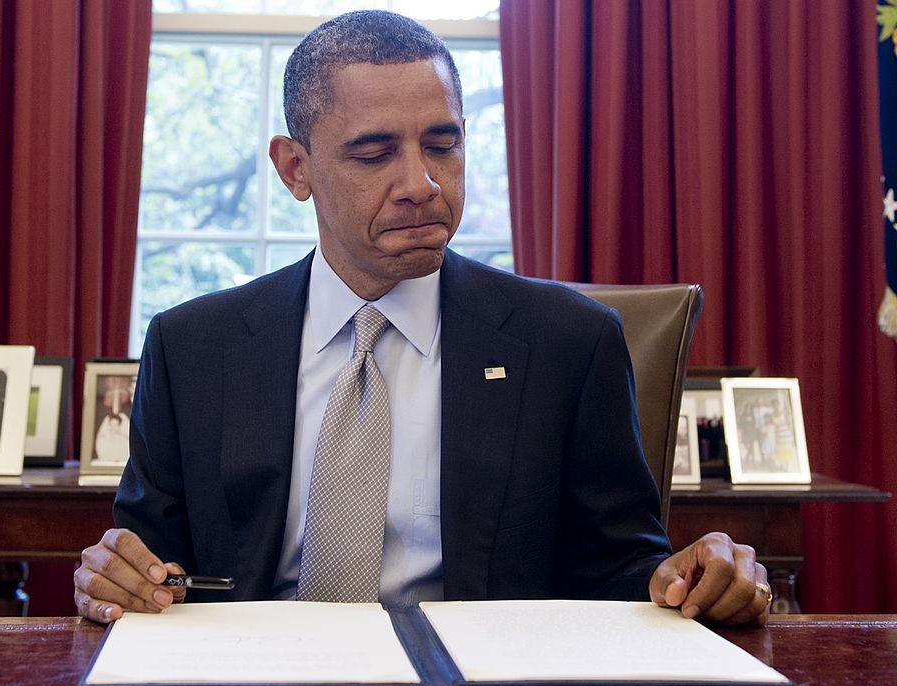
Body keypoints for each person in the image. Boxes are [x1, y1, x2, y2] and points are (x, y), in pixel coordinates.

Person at [75, 11, 771, 628]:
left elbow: (622, 568)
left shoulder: (568, 343)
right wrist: (115, 576)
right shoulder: (193, 347)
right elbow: (148, 565)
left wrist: (683, 578)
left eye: (442, 144)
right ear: (295, 169)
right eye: (375, 154)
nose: (422, 184)